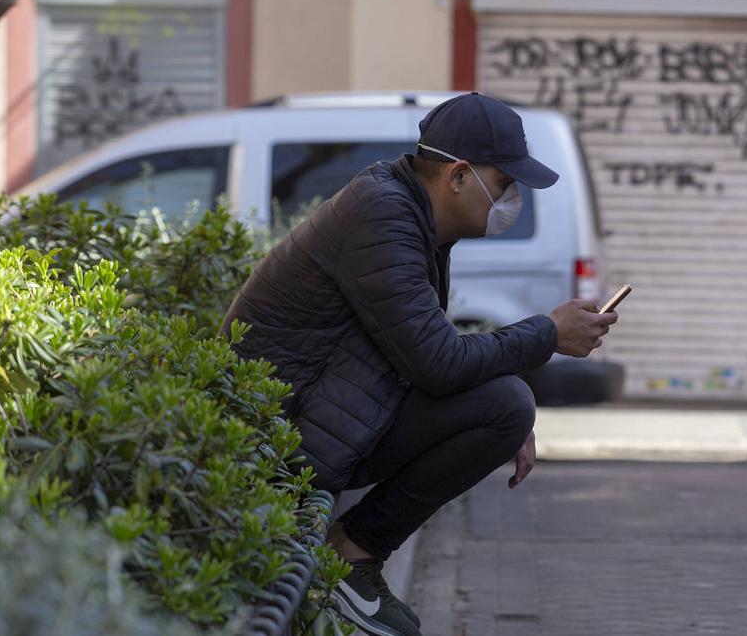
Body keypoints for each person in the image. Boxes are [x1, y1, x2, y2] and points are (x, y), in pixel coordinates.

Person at [220, 93, 617, 636]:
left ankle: (350, 559)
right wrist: (547, 333)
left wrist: (509, 402)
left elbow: (417, 345)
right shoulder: (382, 213)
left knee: (505, 405)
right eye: (504, 184)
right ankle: (349, 558)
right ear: (457, 177)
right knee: (507, 404)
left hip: (324, 416)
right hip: (284, 435)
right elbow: (437, 363)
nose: (510, 200)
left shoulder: (408, 211)